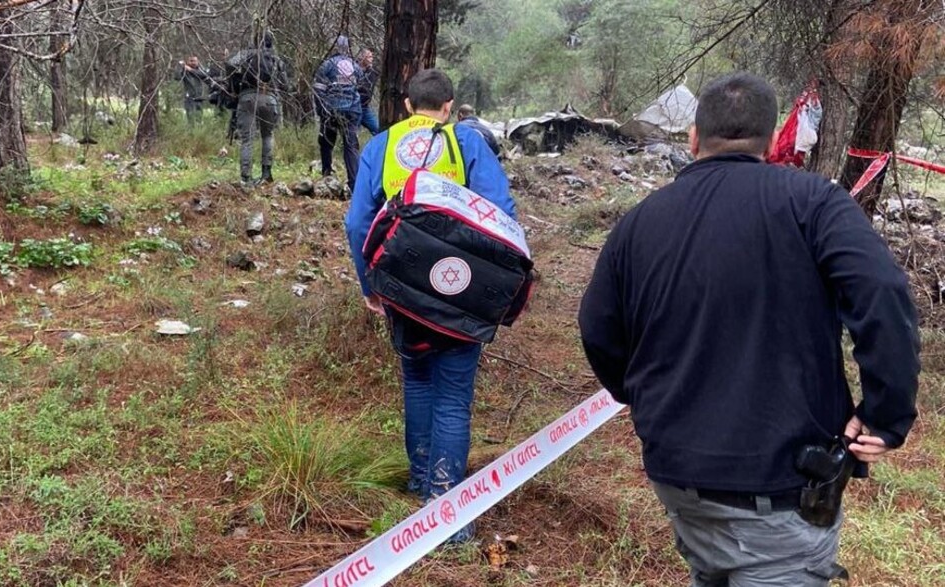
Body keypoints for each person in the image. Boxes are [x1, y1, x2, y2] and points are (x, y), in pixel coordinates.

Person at [578, 72, 920, 586]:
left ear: (694, 137)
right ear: (768, 138)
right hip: (777, 489)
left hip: (679, 472)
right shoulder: (815, 203)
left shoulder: (640, 221)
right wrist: (886, 414)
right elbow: (884, 294)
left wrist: (646, 396)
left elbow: (598, 327)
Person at [345, 68, 516, 545]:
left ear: (405, 105)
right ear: (449, 106)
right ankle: (449, 513)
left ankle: (422, 482)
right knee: (454, 396)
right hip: (459, 286)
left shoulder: (380, 145)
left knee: (417, 378)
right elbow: (501, 208)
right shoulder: (467, 143)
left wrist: (370, 283)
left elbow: (358, 223)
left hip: (401, 285)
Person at [231, 31, 288, 186]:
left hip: (247, 97)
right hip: (269, 98)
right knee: (268, 136)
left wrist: (234, 85)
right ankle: (266, 173)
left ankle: (246, 177)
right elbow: (285, 84)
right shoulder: (276, 59)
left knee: (247, 139)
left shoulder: (246, 55)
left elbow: (230, 64)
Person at [314, 36, 363, 188]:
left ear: (334, 47)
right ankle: (354, 183)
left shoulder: (327, 65)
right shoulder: (356, 66)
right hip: (352, 110)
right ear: (347, 48)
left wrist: (322, 111)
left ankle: (327, 175)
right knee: (351, 146)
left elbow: (318, 89)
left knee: (326, 143)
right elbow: (363, 88)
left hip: (332, 110)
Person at [173, 56, 211, 124]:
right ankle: (191, 132)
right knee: (190, 117)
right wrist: (179, 66)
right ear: (188, 62)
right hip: (189, 97)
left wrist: (190, 70)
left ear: (197, 61)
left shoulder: (200, 69)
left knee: (199, 117)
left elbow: (205, 75)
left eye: (194, 61)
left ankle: (199, 132)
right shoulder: (184, 71)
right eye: (191, 61)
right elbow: (177, 77)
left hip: (199, 97)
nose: (193, 63)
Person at [357, 49, 381, 135]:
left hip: (365, 107)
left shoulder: (372, 72)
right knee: (353, 134)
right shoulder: (355, 70)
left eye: (372, 57)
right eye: (369, 57)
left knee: (378, 130)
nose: (371, 59)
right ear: (362, 58)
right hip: (354, 107)